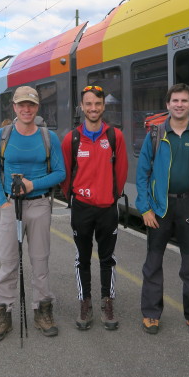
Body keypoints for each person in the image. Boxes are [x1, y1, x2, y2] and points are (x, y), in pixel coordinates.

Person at [136, 83, 189, 336]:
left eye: (184, 101)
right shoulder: (155, 134)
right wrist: (145, 208)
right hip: (160, 207)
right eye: (175, 100)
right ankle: (151, 314)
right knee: (153, 262)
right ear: (168, 104)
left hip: (188, 205)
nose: (179, 104)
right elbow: (142, 173)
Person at [0, 85, 65, 342]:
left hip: (39, 205)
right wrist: (2, 202)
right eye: (22, 105)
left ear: (37, 107)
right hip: (12, 207)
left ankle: (43, 309)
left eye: (31, 104)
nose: (26, 109)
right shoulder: (1, 136)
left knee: (40, 261)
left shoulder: (48, 137)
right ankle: (3, 313)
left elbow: (59, 172)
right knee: (8, 261)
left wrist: (34, 185)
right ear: (14, 107)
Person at [60, 85, 128, 330]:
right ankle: (85, 302)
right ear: (82, 107)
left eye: (97, 104)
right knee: (83, 258)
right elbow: (65, 174)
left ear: (103, 106)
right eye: (88, 104)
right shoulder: (72, 138)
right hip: (82, 209)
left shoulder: (114, 136)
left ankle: (107, 302)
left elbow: (121, 172)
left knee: (107, 258)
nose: (93, 108)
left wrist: (111, 196)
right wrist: (75, 196)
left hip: (107, 208)